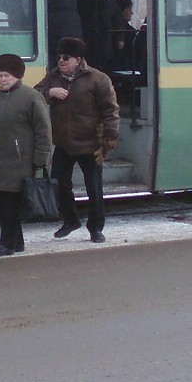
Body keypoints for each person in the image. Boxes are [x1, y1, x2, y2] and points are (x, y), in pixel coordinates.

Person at [34, 37, 120, 243]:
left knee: (94, 188)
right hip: (63, 143)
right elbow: (34, 95)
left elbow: (111, 110)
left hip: (91, 144)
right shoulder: (53, 77)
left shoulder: (98, 79)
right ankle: (71, 220)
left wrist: (109, 140)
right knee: (59, 184)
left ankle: (96, 229)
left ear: (78, 60)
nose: (61, 61)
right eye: (59, 57)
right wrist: (49, 92)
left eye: (66, 57)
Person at [0, 53, 53, 256]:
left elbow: (43, 130)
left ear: (17, 76)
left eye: (7, 75)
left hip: (20, 163)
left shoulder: (31, 97)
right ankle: (16, 242)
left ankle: (6, 243)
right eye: (0, 75)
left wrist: (41, 159)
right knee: (5, 205)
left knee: (8, 207)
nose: (3, 79)